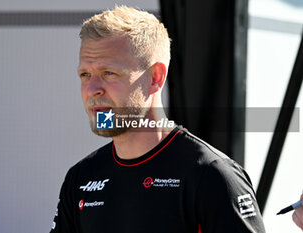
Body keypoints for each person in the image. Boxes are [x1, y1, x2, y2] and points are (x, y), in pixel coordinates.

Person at [50, 5, 266, 233]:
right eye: (85, 75)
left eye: (109, 73)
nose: (92, 89)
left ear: (155, 77)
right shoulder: (81, 177)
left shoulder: (212, 176)